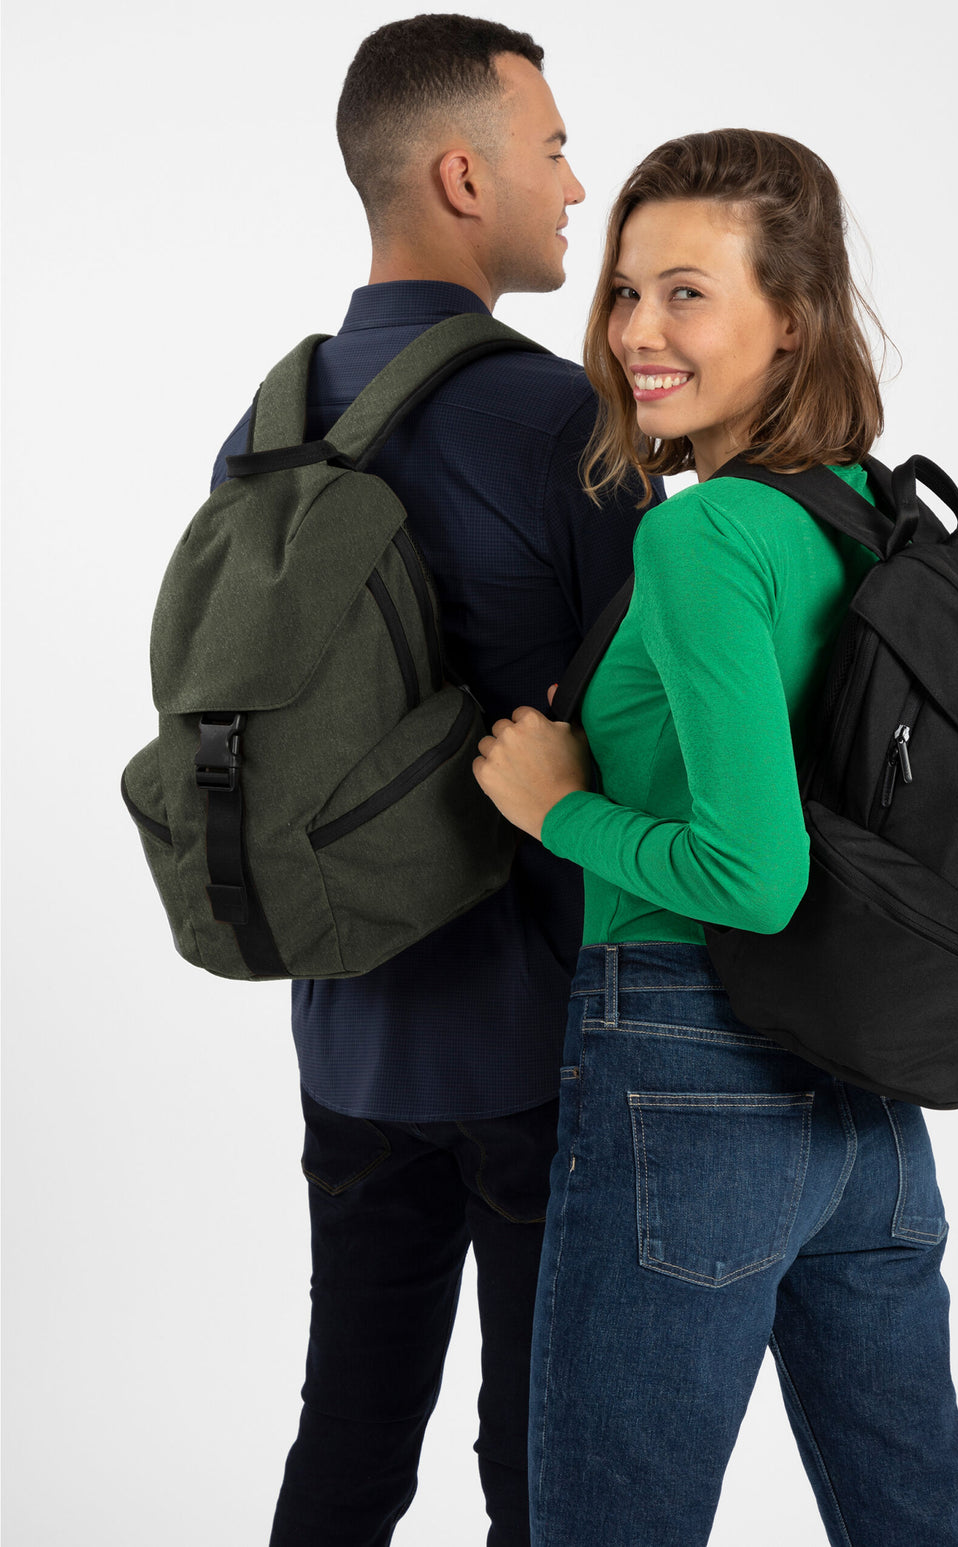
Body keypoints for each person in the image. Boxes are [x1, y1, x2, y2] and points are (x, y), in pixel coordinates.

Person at [473, 128, 958, 1547]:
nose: (637, 333)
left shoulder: (703, 538)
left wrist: (554, 806)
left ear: (792, 319)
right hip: (866, 1100)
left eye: (687, 295)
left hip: (684, 1062)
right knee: (911, 1524)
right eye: (625, 290)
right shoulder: (879, 525)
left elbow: (751, 880)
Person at [210, 17, 655, 1547]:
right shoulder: (566, 422)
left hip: (346, 1036)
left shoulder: (267, 429)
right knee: (544, 1463)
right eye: (552, 150)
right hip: (545, 1044)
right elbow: (645, 738)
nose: (576, 185)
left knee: (347, 1440)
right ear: (463, 176)